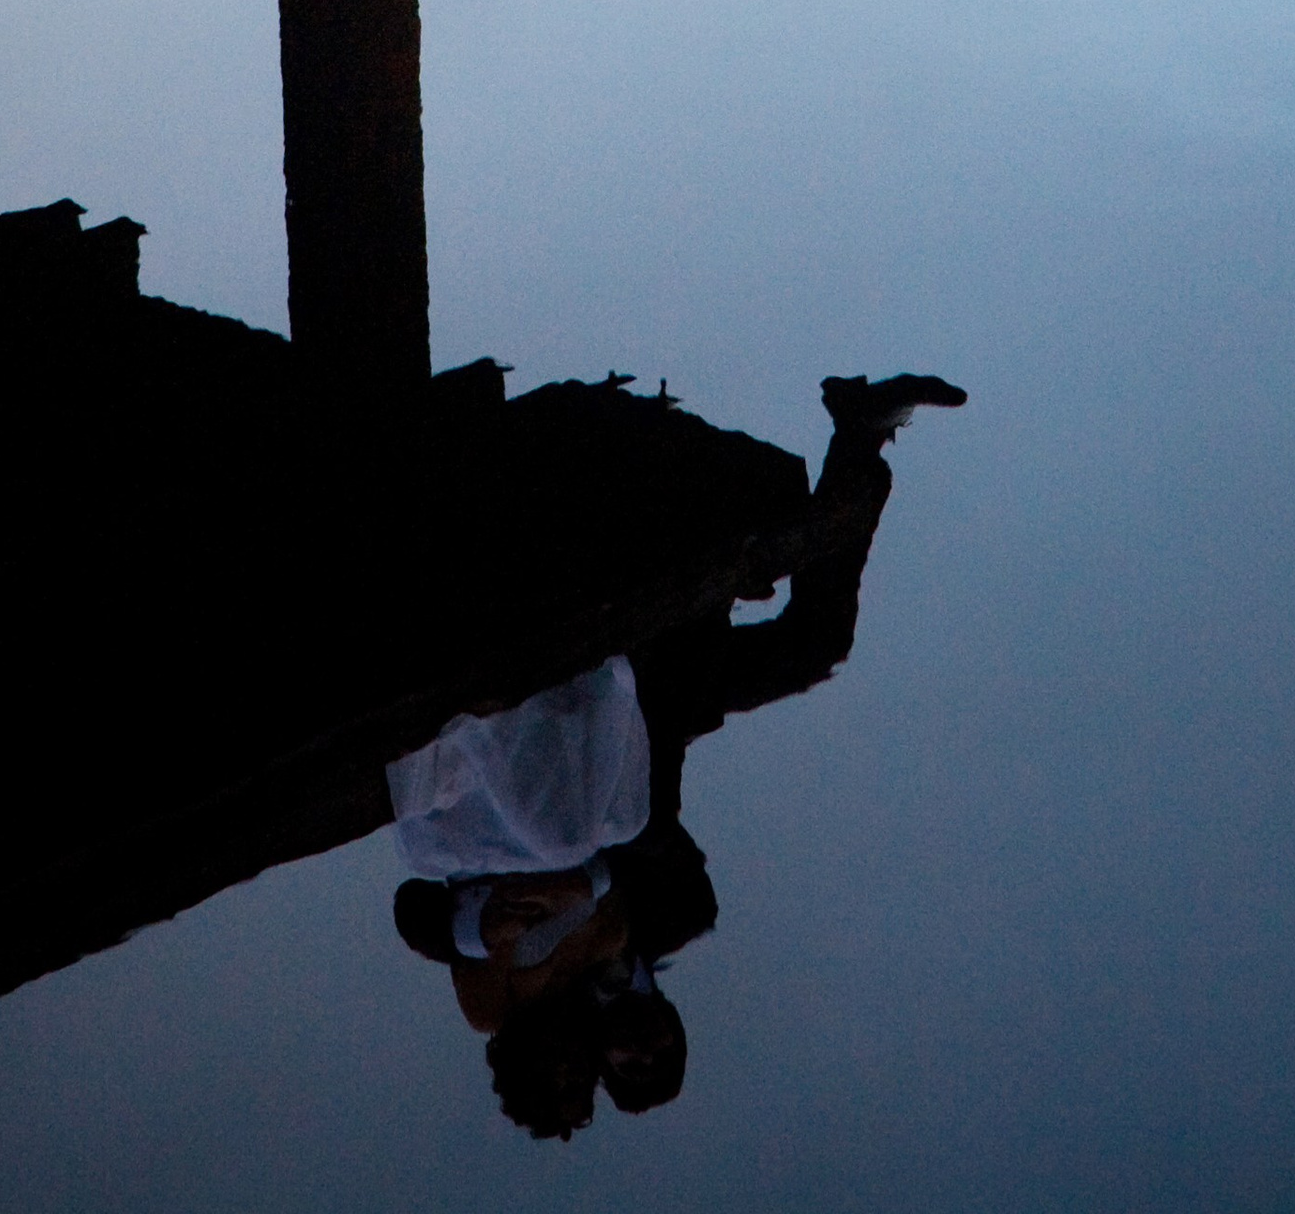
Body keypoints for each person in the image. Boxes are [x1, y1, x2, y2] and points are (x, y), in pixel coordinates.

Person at [386, 369, 965, 1137]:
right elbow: (656, 836)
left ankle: (690, 572)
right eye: (664, 1053)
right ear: (679, 1029)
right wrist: (587, 885)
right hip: (652, 735)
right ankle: (860, 438)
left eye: (626, 1066)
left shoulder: (516, 995)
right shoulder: (681, 918)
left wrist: (489, 918)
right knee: (814, 646)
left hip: (572, 752)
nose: (643, 1046)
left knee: (720, 626)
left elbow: (421, 918)